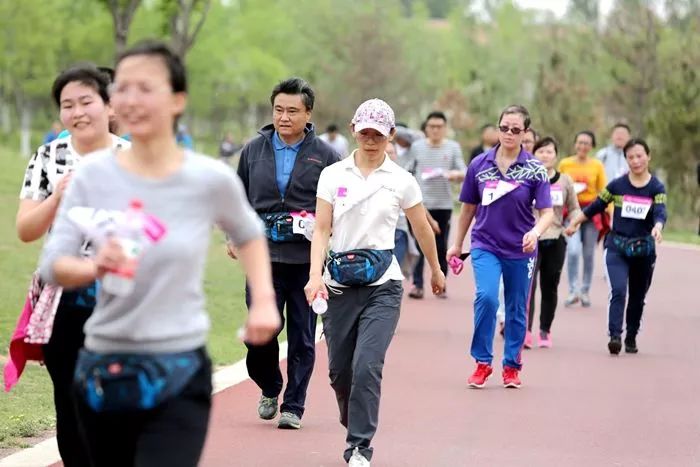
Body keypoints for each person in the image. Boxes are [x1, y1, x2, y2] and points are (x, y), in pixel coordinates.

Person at [38, 40, 281, 466]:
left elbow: (249, 233)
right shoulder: (91, 176)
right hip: (104, 369)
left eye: (145, 88)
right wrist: (94, 266)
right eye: (122, 88)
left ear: (177, 100)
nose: (131, 99)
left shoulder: (208, 178)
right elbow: (52, 264)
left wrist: (263, 300)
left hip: (178, 368)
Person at [305, 98, 445, 467]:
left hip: (383, 285)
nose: (370, 139)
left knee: (367, 366)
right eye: (365, 132)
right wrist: (315, 275)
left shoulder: (401, 180)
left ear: (391, 135)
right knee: (340, 372)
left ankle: (359, 446)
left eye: (378, 134)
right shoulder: (332, 175)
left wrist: (435, 268)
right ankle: (354, 418)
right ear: (353, 129)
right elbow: (321, 229)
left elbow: (421, 228)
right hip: (338, 285)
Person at [15, 64, 130, 467]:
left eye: (86, 101)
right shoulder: (47, 157)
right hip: (63, 297)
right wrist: (57, 198)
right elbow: (25, 230)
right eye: (68, 105)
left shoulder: (134, 158)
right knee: (69, 400)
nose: (77, 112)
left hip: (122, 297)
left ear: (108, 105)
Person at [230, 77, 340, 430]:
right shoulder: (253, 150)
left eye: (292, 111)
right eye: (278, 110)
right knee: (260, 334)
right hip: (261, 259)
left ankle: (293, 405)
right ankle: (269, 385)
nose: (284, 117)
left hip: (306, 263)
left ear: (308, 114)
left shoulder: (326, 156)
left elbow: (339, 205)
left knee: (302, 338)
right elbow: (237, 198)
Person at [447, 104, 554, 389]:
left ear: (525, 133)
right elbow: (468, 208)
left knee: (517, 307)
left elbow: (547, 213)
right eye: (504, 128)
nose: (509, 133)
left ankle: (511, 366)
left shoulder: (535, 169)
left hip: (521, 248)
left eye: (515, 130)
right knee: (487, 298)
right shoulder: (479, 164)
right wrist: (456, 244)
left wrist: (535, 232)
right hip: (485, 244)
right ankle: (482, 363)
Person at [566, 138, 666, 355]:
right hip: (617, 247)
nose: (636, 161)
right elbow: (596, 206)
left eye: (639, 156)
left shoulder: (656, 187)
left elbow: (660, 211)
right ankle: (615, 336)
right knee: (618, 290)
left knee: (638, 296)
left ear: (648, 157)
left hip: (644, 250)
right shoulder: (617, 185)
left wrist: (658, 226)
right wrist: (575, 222)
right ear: (626, 160)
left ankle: (631, 335)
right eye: (631, 157)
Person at [524, 137, 581, 349]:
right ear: (533, 154)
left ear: (556, 156)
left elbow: (574, 208)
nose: (545, 155)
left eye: (549, 152)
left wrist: (574, 223)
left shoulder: (564, 181)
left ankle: (545, 330)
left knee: (550, 287)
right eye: (541, 151)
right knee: (527, 287)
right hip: (529, 240)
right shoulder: (526, 178)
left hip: (556, 238)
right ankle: (525, 331)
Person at [405, 110, 466, 299]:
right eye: (432, 126)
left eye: (439, 127)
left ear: (445, 128)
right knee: (418, 245)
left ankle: (441, 282)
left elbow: (464, 171)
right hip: (419, 204)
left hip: (443, 204)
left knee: (440, 246)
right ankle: (417, 285)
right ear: (426, 128)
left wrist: (454, 174)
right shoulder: (416, 147)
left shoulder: (453, 147)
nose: (435, 130)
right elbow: (408, 170)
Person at [558, 130, 607, 307]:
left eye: (586, 143)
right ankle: (573, 290)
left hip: (591, 212)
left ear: (592, 146)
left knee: (588, 253)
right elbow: (557, 186)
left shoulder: (597, 165)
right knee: (572, 251)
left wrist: (609, 212)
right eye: (580, 142)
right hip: (571, 211)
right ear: (575, 144)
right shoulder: (565, 164)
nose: (582, 146)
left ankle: (585, 290)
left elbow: (604, 191)